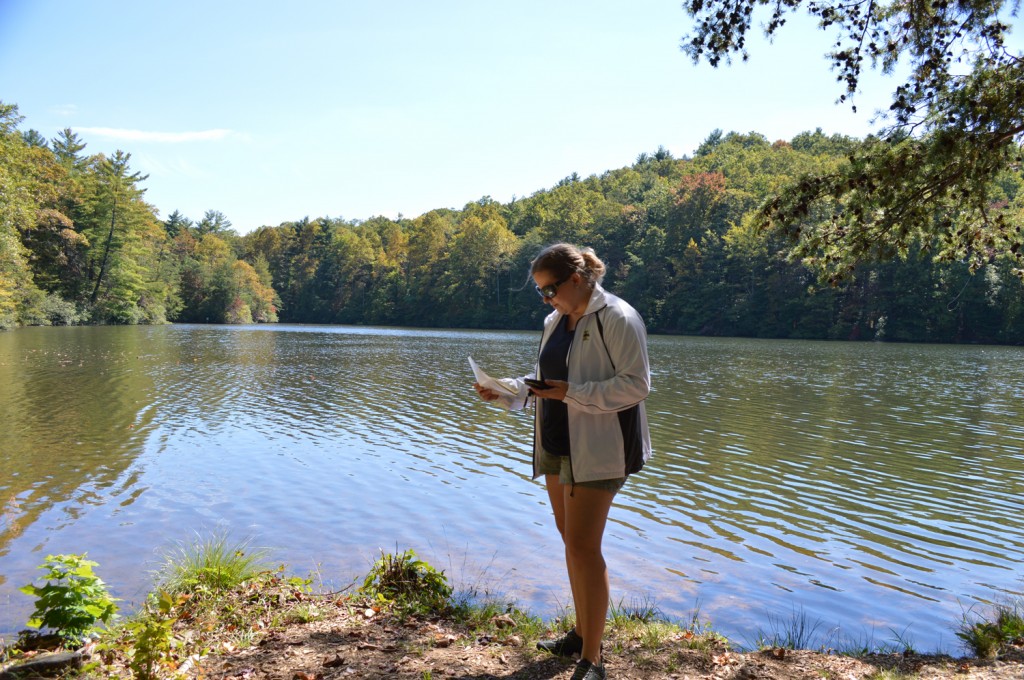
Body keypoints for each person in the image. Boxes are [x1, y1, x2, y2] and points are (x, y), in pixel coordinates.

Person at [473, 243, 652, 680]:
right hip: (555, 442)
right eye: (540, 292)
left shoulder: (618, 317)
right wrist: (509, 389)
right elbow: (548, 383)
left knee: (584, 547)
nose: (546, 299)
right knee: (570, 540)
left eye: (550, 289)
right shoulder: (556, 320)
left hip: (600, 446)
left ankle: (594, 659)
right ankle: (579, 634)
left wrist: (571, 393)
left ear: (577, 279)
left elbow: (636, 386)